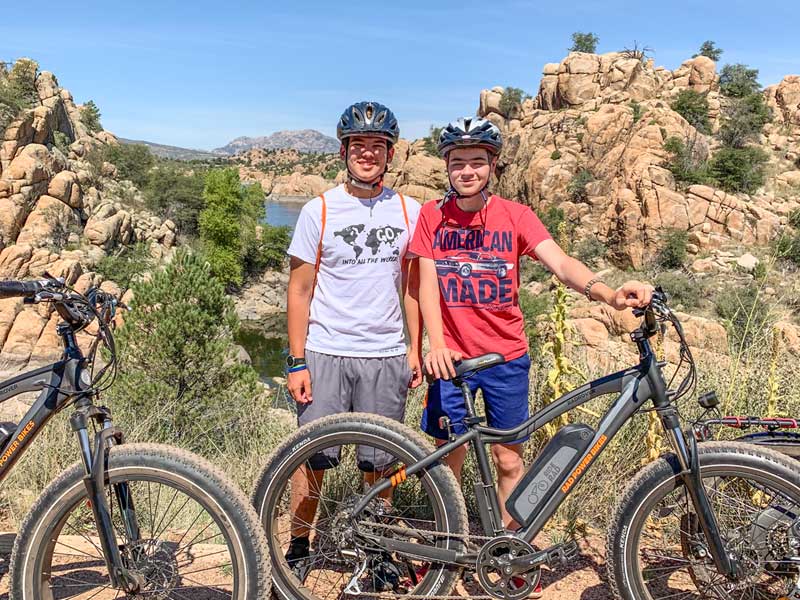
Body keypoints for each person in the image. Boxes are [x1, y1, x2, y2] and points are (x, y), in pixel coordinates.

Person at [409, 116, 653, 529]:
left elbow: (561, 263)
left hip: (506, 357)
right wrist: (433, 346)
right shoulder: (432, 216)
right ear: (447, 167)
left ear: (493, 166)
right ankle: (446, 547)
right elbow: (424, 286)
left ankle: (510, 551)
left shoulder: (516, 216)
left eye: (477, 161)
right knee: (449, 456)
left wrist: (608, 293)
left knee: (508, 459)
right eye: (458, 162)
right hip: (451, 360)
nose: (467, 171)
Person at [283, 101, 423, 571]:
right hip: (325, 352)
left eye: (377, 146)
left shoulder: (409, 210)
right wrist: (296, 360)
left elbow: (414, 288)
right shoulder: (319, 209)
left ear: (389, 154)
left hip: (385, 354)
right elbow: (300, 290)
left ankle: (376, 547)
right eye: (358, 146)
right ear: (344, 151)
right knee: (312, 460)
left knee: (381, 463)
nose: (368, 154)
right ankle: (300, 546)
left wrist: (415, 350)